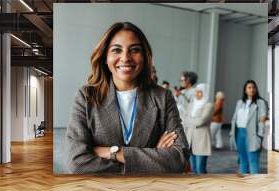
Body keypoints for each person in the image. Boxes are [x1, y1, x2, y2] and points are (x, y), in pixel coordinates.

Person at [66, 22, 190, 174]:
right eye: (116, 50)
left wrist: (113, 153)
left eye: (135, 50)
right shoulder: (86, 97)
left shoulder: (163, 97)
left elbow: (179, 158)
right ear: (105, 57)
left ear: (144, 57)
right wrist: (152, 157)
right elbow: (77, 164)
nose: (125, 58)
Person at [229, 80, 267, 174]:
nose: (252, 89)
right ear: (245, 90)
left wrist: (260, 136)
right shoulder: (240, 103)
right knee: (243, 161)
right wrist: (231, 133)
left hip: (253, 134)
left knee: (253, 161)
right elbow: (234, 119)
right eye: (249, 87)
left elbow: (262, 120)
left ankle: (255, 184)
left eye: (253, 87)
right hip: (240, 133)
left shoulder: (260, 102)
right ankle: (244, 185)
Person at [183, 83, 213, 174]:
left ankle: (204, 187)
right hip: (190, 140)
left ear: (205, 93)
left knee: (200, 169)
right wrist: (192, 121)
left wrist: (189, 121)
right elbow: (184, 119)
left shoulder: (209, 105)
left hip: (201, 141)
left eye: (200, 92)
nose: (197, 94)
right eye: (196, 92)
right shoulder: (191, 104)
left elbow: (201, 121)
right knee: (194, 169)